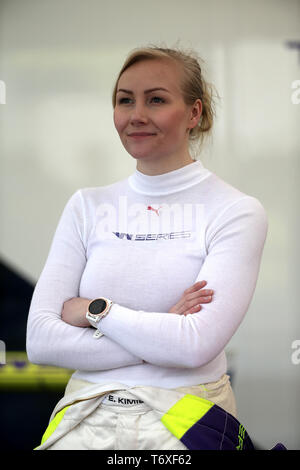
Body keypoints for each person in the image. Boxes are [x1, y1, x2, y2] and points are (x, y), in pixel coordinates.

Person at [26, 45, 268, 450]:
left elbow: (193, 346)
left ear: (194, 113)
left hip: (187, 419)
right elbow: (41, 340)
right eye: (125, 100)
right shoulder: (87, 205)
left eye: (156, 99)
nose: (136, 115)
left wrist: (95, 311)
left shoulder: (237, 211)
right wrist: (162, 327)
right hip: (86, 415)